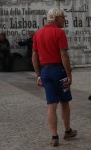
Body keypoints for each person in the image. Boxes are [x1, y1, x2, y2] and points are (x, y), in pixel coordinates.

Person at [32, 8, 77, 147]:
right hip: (58, 71)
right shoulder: (59, 32)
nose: (64, 19)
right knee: (64, 101)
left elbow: (34, 57)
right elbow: (64, 56)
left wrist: (38, 75)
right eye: (63, 17)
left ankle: (54, 136)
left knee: (51, 104)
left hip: (45, 72)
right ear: (57, 18)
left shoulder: (37, 34)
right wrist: (69, 75)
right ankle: (68, 131)